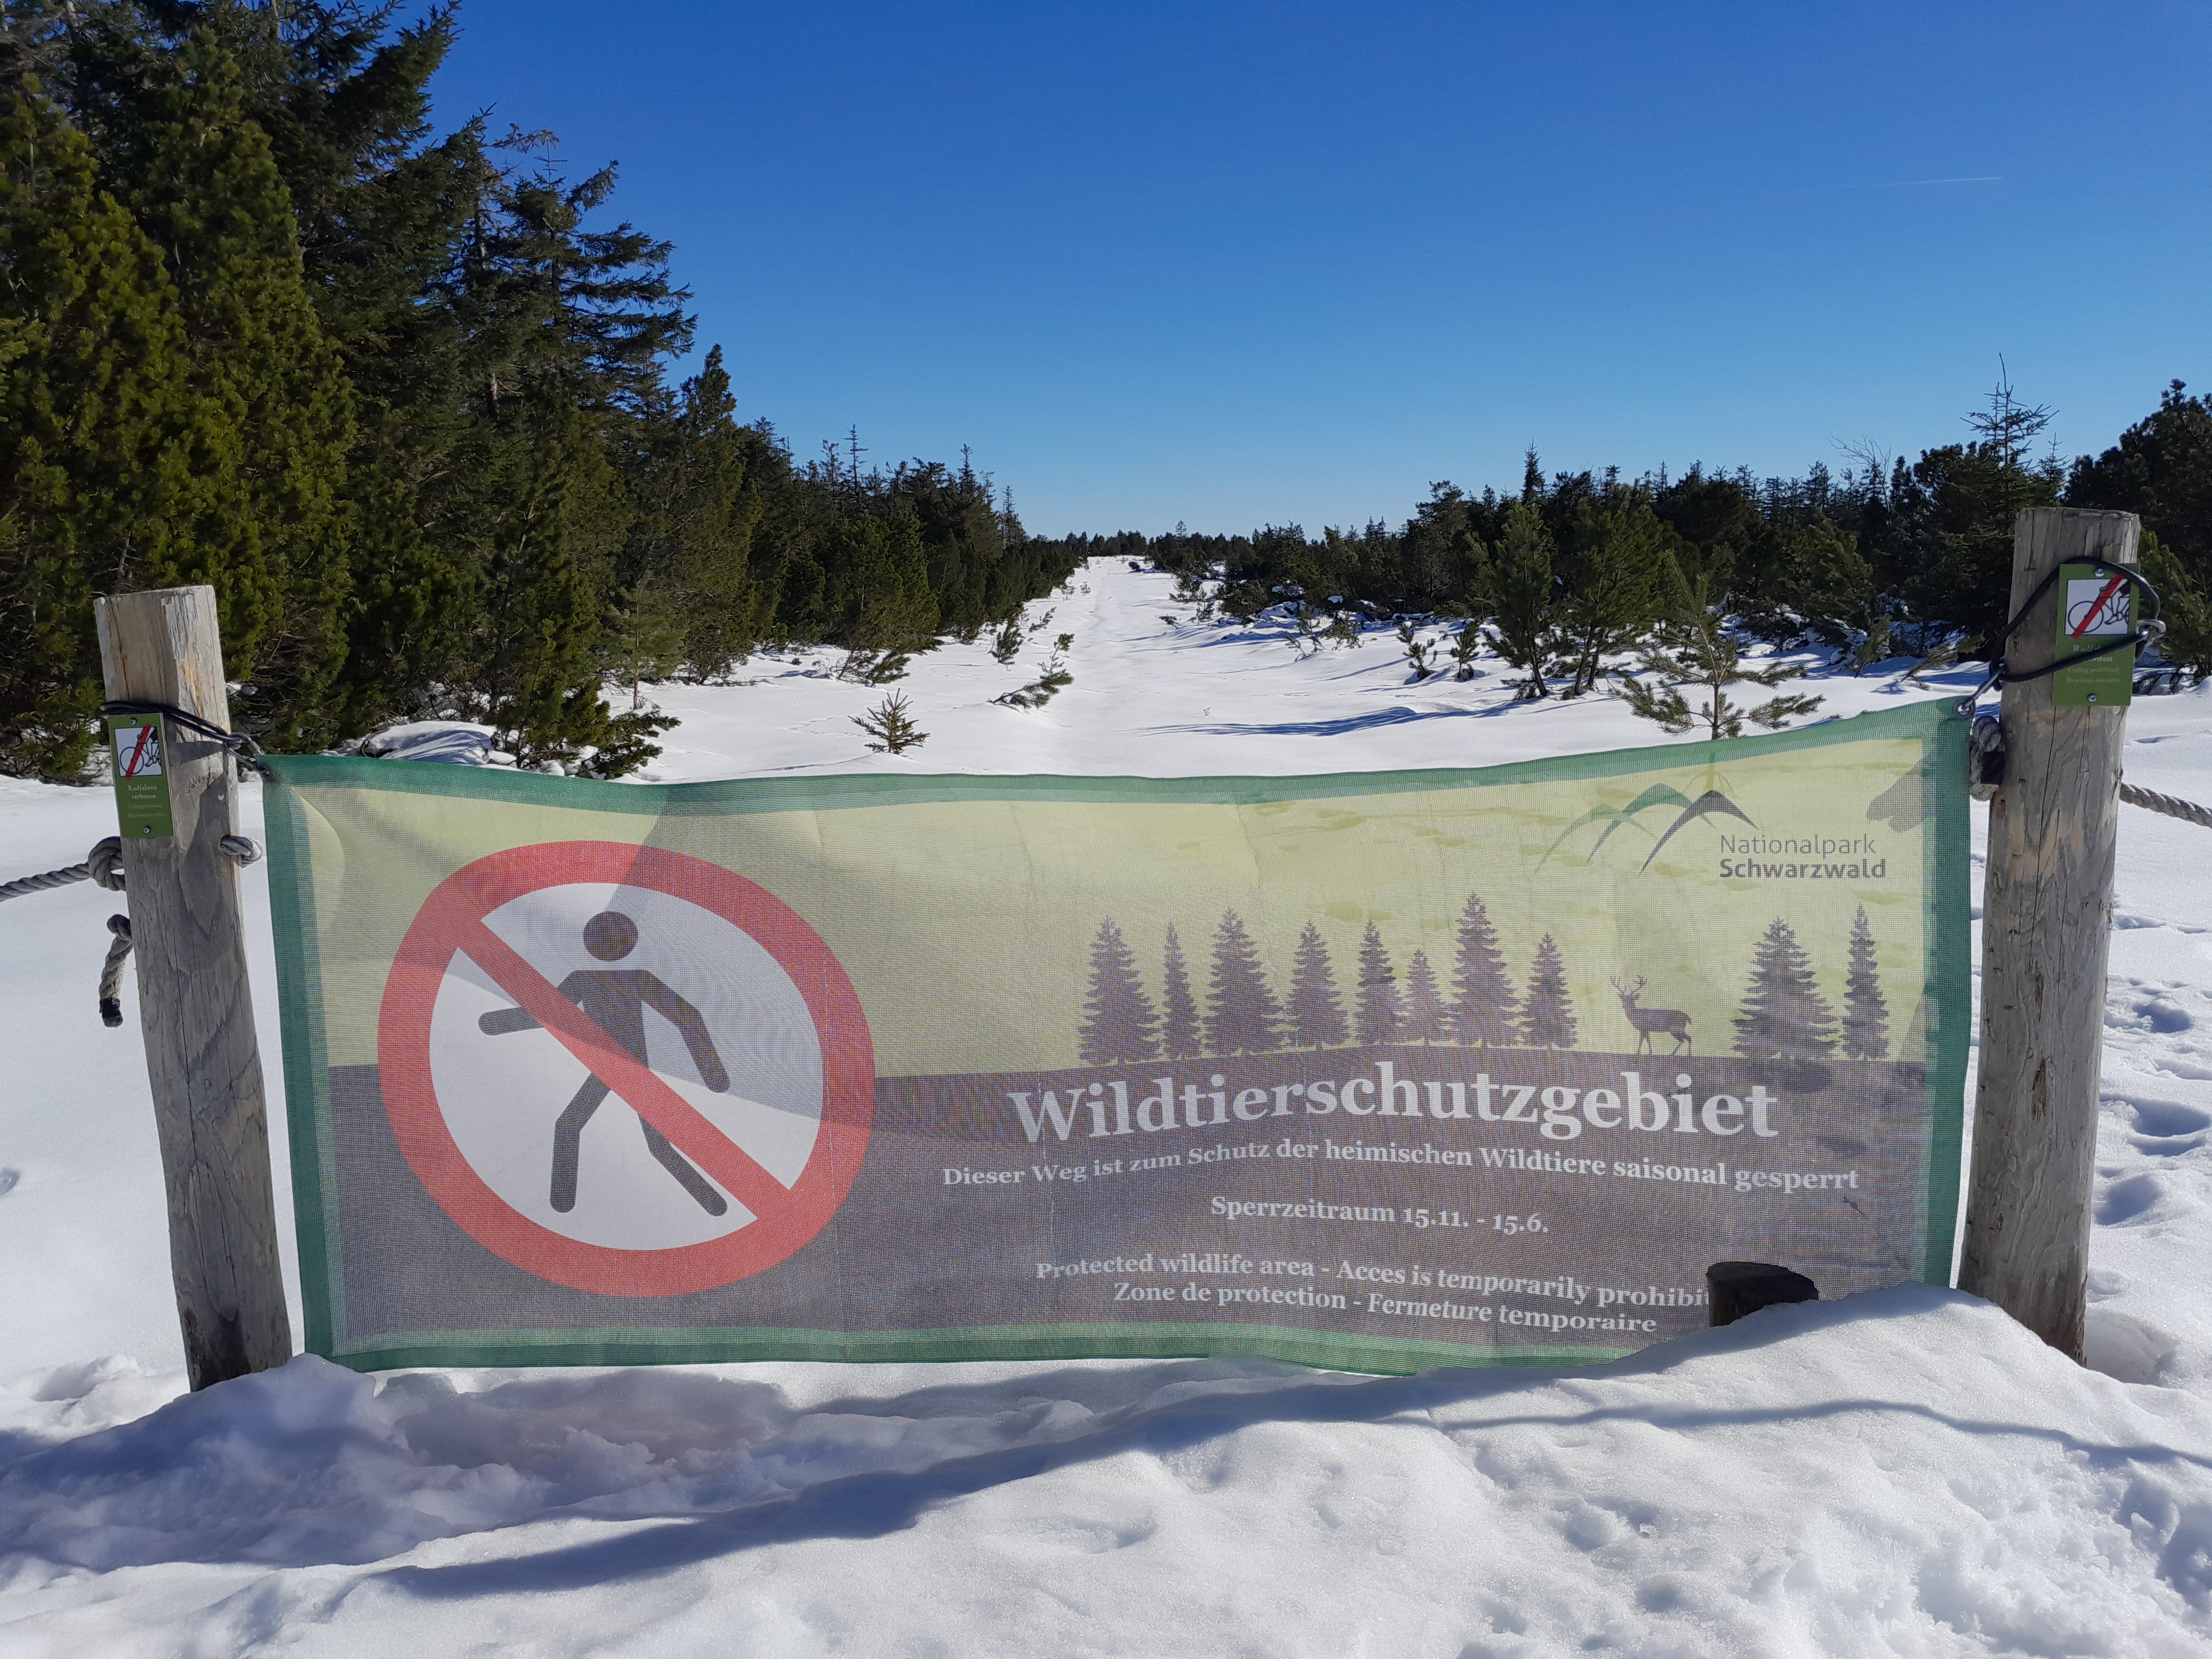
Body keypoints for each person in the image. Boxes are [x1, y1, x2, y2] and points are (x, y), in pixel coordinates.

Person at [479, 910, 732, 1215]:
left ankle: (562, 1205)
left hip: (628, 1070)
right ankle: (563, 1205)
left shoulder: (608, 979)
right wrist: (713, 1074)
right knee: (645, 1141)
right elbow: (687, 1015)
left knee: (576, 1127)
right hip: (618, 1069)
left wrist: (713, 1074)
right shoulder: (613, 978)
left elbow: (687, 1014)